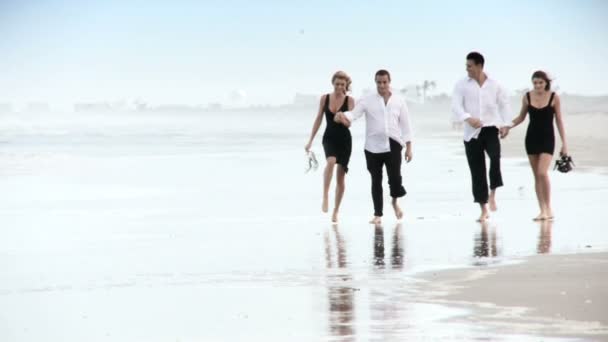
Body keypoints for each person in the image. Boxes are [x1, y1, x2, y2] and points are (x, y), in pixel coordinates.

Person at [334, 70, 413, 225]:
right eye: (379, 82)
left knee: (395, 180)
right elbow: (354, 114)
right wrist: (342, 116)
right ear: (375, 82)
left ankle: (395, 202)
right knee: (376, 181)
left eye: (385, 82)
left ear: (389, 82)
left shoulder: (398, 100)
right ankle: (377, 214)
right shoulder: (367, 99)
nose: (382, 85)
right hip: (372, 147)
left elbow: (406, 125)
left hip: (393, 144)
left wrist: (409, 147)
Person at [452, 52, 511, 222]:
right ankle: (483, 208)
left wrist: (506, 124)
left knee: (495, 158)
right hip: (471, 133)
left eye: (469, 66)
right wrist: (467, 118)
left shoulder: (495, 84)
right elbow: (456, 105)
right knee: (477, 171)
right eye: (466, 66)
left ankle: (492, 193)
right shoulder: (461, 85)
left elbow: (504, 105)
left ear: (479, 66)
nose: (467, 69)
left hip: (491, 128)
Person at [502, 70, 568, 220]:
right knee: (536, 176)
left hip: (547, 139)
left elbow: (559, 120)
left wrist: (565, 144)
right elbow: (520, 117)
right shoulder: (527, 97)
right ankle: (542, 210)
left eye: (540, 83)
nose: (537, 85)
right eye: (535, 83)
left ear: (546, 83)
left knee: (542, 173)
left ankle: (548, 208)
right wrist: (507, 126)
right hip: (531, 139)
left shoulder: (554, 97)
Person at [305, 71, 355, 223]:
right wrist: (310, 141)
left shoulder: (350, 100)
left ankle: (336, 211)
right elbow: (319, 118)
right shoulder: (325, 98)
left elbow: (350, 123)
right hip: (329, 138)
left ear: (346, 85)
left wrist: (342, 119)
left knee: (340, 178)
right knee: (331, 161)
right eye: (337, 84)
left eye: (342, 84)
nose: (339, 87)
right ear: (332, 83)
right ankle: (325, 195)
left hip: (345, 140)